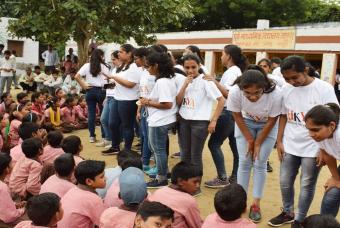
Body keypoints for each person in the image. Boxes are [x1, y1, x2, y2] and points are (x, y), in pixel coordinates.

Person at [268, 56, 339, 227]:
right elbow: (284, 115)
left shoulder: (323, 88)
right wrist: (279, 140)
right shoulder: (287, 88)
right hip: (290, 143)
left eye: (295, 77)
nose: (291, 81)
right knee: (285, 181)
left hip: (314, 145)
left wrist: (322, 149)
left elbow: (333, 116)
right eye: (287, 78)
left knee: (307, 183)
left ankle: (299, 219)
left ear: (305, 70)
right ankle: (287, 212)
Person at [227, 69, 282, 222]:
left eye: (257, 92)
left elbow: (272, 120)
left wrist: (258, 142)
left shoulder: (276, 93)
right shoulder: (235, 91)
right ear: (241, 88)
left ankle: (256, 204)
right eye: (248, 93)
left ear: (264, 86)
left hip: (268, 125)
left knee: (259, 163)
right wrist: (250, 140)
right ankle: (240, 202)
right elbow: (236, 115)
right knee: (244, 162)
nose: (252, 97)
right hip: (245, 123)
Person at [176, 54, 224, 183]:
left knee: (195, 155)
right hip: (184, 120)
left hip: (200, 123)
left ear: (199, 66)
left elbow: (221, 100)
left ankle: (196, 185)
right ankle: (185, 182)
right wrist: (185, 85)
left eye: (193, 67)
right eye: (187, 67)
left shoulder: (205, 81)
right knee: (184, 153)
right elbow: (178, 101)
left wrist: (213, 120)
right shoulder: (183, 80)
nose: (190, 70)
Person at [204, 44, 246, 187]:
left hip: (228, 112)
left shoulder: (232, 71)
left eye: (222, 54)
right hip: (235, 113)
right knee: (235, 147)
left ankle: (223, 178)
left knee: (213, 144)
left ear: (229, 56)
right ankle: (235, 177)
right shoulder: (235, 71)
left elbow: (228, 94)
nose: (221, 57)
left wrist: (213, 81)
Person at [139, 52, 178, 188]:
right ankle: (164, 173)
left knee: (158, 150)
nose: (146, 69)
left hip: (160, 120)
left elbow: (167, 104)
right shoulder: (165, 79)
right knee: (155, 148)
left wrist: (147, 102)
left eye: (148, 66)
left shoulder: (162, 81)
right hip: (160, 119)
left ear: (156, 66)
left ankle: (161, 179)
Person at [101, 44, 141, 155]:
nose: (119, 53)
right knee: (112, 123)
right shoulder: (121, 66)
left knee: (127, 126)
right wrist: (110, 83)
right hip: (117, 98)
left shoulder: (133, 67)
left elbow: (130, 84)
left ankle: (127, 150)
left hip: (129, 100)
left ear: (129, 54)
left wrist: (114, 77)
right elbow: (118, 83)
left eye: (121, 52)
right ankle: (115, 146)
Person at [304, 103, 340, 217]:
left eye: (315, 130)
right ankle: (325, 224)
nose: (311, 134)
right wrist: (336, 178)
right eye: (309, 130)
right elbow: (327, 154)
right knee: (332, 194)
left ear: (332, 125)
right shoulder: (321, 136)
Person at [148, 162, 203, 228]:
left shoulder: (159, 191)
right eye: (195, 182)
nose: (198, 185)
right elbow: (197, 225)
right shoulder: (188, 201)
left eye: (199, 182)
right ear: (180, 181)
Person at [58, 160, 107, 228]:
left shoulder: (73, 190)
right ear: (89, 181)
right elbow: (105, 224)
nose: (106, 179)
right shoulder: (93, 199)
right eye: (102, 177)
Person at [75, 49, 109, 143]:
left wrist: (84, 85)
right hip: (102, 91)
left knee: (91, 114)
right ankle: (104, 136)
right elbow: (108, 80)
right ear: (100, 56)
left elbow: (77, 76)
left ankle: (92, 136)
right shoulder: (104, 66)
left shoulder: (86, 65)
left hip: (90, 91)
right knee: (103, 114)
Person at [135, 47, 155, 173]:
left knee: (149, 137)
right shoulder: (143, 72)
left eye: (137, 58)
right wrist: (139, 109)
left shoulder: (153, 74)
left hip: (153, 109)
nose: (135, 61)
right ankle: (145, 160)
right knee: (144, 136)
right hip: (144, 108)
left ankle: (147, 161)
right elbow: (142, 94)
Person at [96, 51, 121, 149]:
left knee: (112, 122)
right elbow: (111, 84)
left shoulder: (122, 71)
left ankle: (115, 141)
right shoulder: (114, 70)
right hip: (110, 96)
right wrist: (106, 97)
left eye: (114, 59)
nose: (112, 61)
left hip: (116, 97)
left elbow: (116, 84)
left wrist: (109, 82)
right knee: (103, 119)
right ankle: (108, 139)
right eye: (112, 59)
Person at [0, 152, 26, 226]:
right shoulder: (2, 187)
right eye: (11, 164)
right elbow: (10, 216)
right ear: (6, 169)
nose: (13, 166)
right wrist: (23, 209)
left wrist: (14, 205)